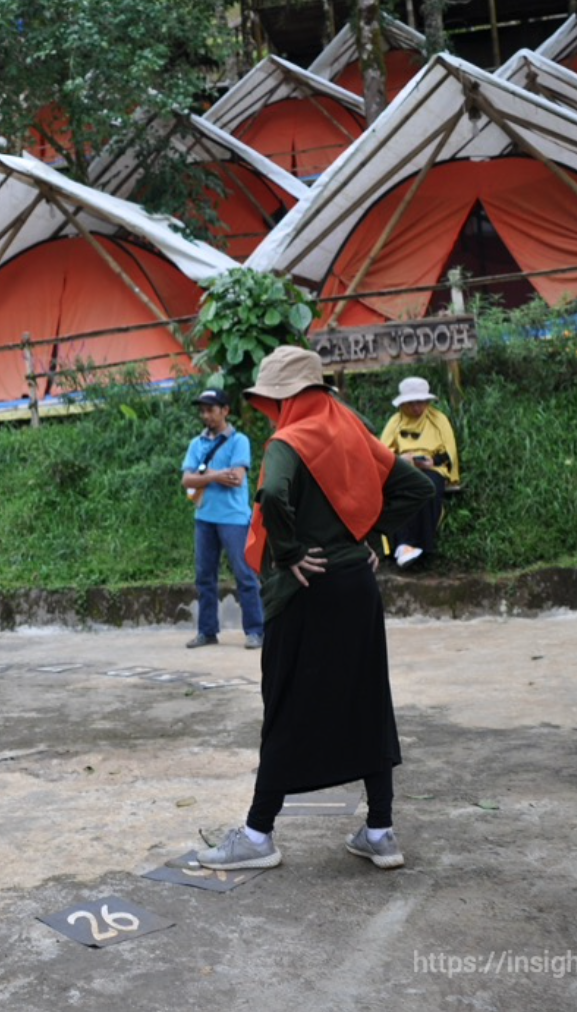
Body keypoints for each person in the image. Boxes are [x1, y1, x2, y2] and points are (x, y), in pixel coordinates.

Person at [196, 347, 434, 873]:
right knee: (369, 702)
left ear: (280, 399)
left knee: (284, 705)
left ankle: (258, 836)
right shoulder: (353, 433)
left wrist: (290, 553)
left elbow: (273, 496)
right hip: (357, 587)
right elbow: (418, 486)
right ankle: (381, 831)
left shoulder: (289, 440)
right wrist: (365, 533)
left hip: (306, 590)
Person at [180, 388, 265, 650]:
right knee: (205, 576)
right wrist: (217, 476)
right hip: (204, 517)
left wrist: (206, 476)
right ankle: (207, 632)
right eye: (202, 410)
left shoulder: (240, 441)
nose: (206, 415)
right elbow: (186, 480)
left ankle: (256, 631)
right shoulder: (197, 444)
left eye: (211, 409)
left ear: (225, 410)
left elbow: (237, 478)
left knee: (245, 574)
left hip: (234, 518)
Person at [378, 376, 460, 567]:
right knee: (399, 491)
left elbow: (449, 451)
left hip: (432, 468)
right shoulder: (394, 422)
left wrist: (433, 461)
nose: (417, 408)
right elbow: (382, 453)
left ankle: (421, 546)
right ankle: (402, 544)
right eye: (412, 403)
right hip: (402, 469)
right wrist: (401, 460)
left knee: (428, 487)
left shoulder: (438, 419)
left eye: (420, 403)